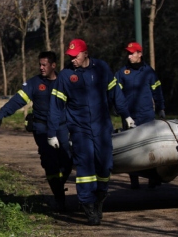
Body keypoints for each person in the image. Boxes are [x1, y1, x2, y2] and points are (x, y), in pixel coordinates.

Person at [48, 39, 134, 225]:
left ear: (85, 53)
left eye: (75, 56)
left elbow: (115, 94)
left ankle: (100, 196)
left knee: (105, 165)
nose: (73, 60)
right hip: (80, 129)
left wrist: (125, 115)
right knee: (85, 166)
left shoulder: (102, 68)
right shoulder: (66, 76)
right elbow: (56, 106)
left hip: (102, 126)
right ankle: (87, 205)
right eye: (70, 57)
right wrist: (52, 132)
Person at [0, 51, 73, 210]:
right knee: (49, 162)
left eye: (45, 65)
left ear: (53, 65)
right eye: (40, 65)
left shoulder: (64, 81)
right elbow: (17, 101)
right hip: (41, 127)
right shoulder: (34, 83)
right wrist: (0, 115)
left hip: (61, 126)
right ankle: (59, 196)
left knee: (67, 160)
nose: (41, 68)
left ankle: (58, 184)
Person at [115, 41, 166, 189]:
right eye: (128, 53)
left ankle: (153, 178)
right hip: (129, 115)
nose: (129, 56)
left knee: (151, 146)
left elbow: (157, 90)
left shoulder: (149, 72)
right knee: (131, 147)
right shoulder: (122, 72)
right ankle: (134, 179)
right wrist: (123, 114)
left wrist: (161, 108)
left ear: (139, 54)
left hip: (146, 114)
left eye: (132, 53)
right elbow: (116, 94)